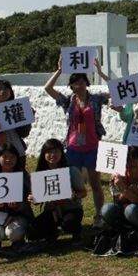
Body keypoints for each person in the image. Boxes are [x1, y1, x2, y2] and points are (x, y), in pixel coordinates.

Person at [45, 57, 111, 225]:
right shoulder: (68, 101)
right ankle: (73, 213)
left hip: (92, 146)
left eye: (82, 82)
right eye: (75, 83)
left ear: (86, 83)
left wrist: (101, 73)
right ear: (71, 85)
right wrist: (59, 70)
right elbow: (48, 88)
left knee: (95, 183)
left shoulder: (96, 99)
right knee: (72, 183)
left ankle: (99, 215)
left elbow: (117, 90)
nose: (79, 85)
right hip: (73, 147)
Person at [28, 138, 86, 243]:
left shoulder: (71, 171)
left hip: (71, 209)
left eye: (56, 151)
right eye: (49, 152)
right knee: (32, 232)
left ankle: (76, 232)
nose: (53, 155)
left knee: (68, 223)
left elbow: (83, 192)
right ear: (44, 154)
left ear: (61, 153)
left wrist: (75, 195)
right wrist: (34, 199)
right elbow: (38, 201)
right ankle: (53, 232)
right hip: (52, 210)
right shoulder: (40, 174)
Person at [102, 148, 138, 247]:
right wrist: (127, 191)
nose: (132, 163)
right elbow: (117, 200)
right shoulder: (117, 176)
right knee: (106, 209)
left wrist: (124, 189)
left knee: (131, 210)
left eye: (136, 159)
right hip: (123, 207)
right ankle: (120, 230)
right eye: (128, 160)